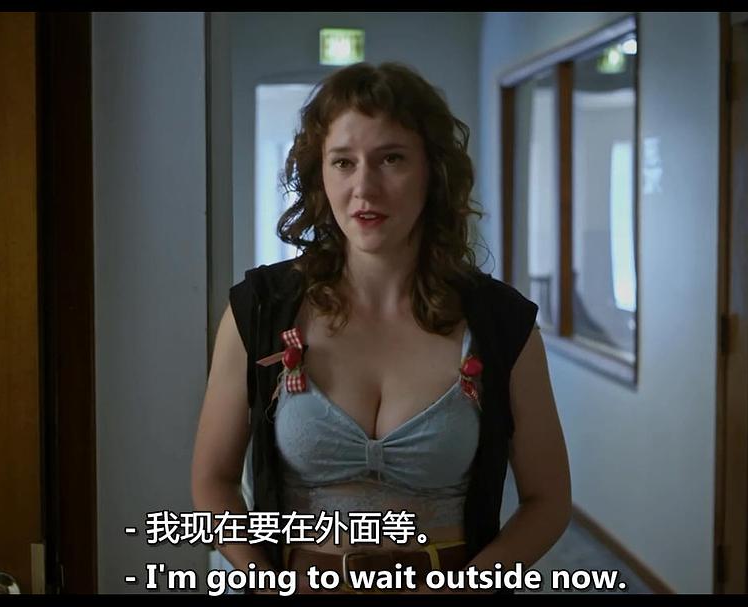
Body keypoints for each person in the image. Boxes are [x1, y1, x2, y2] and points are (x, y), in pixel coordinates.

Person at [191, 61, 571, 594]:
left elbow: (548, 501)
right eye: (343, 162)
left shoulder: (502, 323)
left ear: (433, 171)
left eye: (391, 158)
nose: (364, 187)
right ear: (320, 175)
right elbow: (212, 482)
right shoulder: (260, 310)